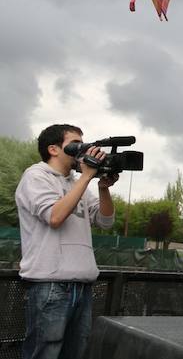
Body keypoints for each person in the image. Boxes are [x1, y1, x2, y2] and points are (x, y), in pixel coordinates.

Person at [16, 124, 117, 359]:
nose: (82, 150)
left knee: (76, 353)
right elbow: (55, 217)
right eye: (75, 144)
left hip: (82, 286)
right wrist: (87, 176)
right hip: (50, 284)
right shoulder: (36, 176)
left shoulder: (75, 182)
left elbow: (105, 222)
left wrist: (102, 188)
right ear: (53, 149)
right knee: (45, 353)